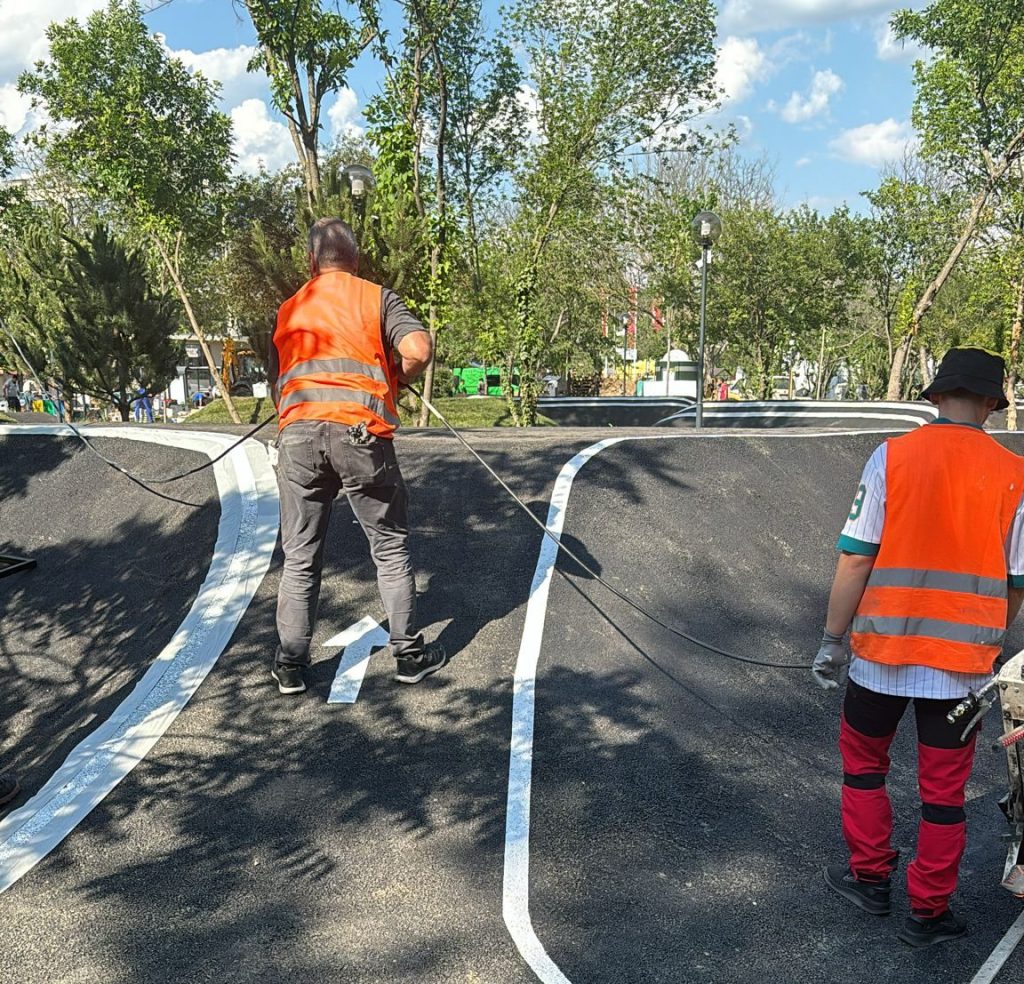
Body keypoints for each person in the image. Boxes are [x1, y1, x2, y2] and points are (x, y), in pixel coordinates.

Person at [813, 347, 1024, 947]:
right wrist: (987, 641)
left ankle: (870, 877)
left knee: (863, 768)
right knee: (943, 795)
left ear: (934, 397)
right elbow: (1018, 583)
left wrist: (832, 642)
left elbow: (856, 556)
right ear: (991, 403)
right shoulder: (1017, 474)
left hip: (879, 659)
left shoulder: (891, 457)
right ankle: (928, 912)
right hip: (960, 673)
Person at [266, 217, 443, 696]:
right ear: (356, 260)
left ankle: (290, 664)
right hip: (361, 434)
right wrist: (396, 376)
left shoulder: (289, 309)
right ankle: (408, 655)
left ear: (312, 262)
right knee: (389, 546)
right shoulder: (375, 296)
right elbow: (419, 348)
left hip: (299, 438)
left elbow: (279, 379)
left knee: (300, 555)